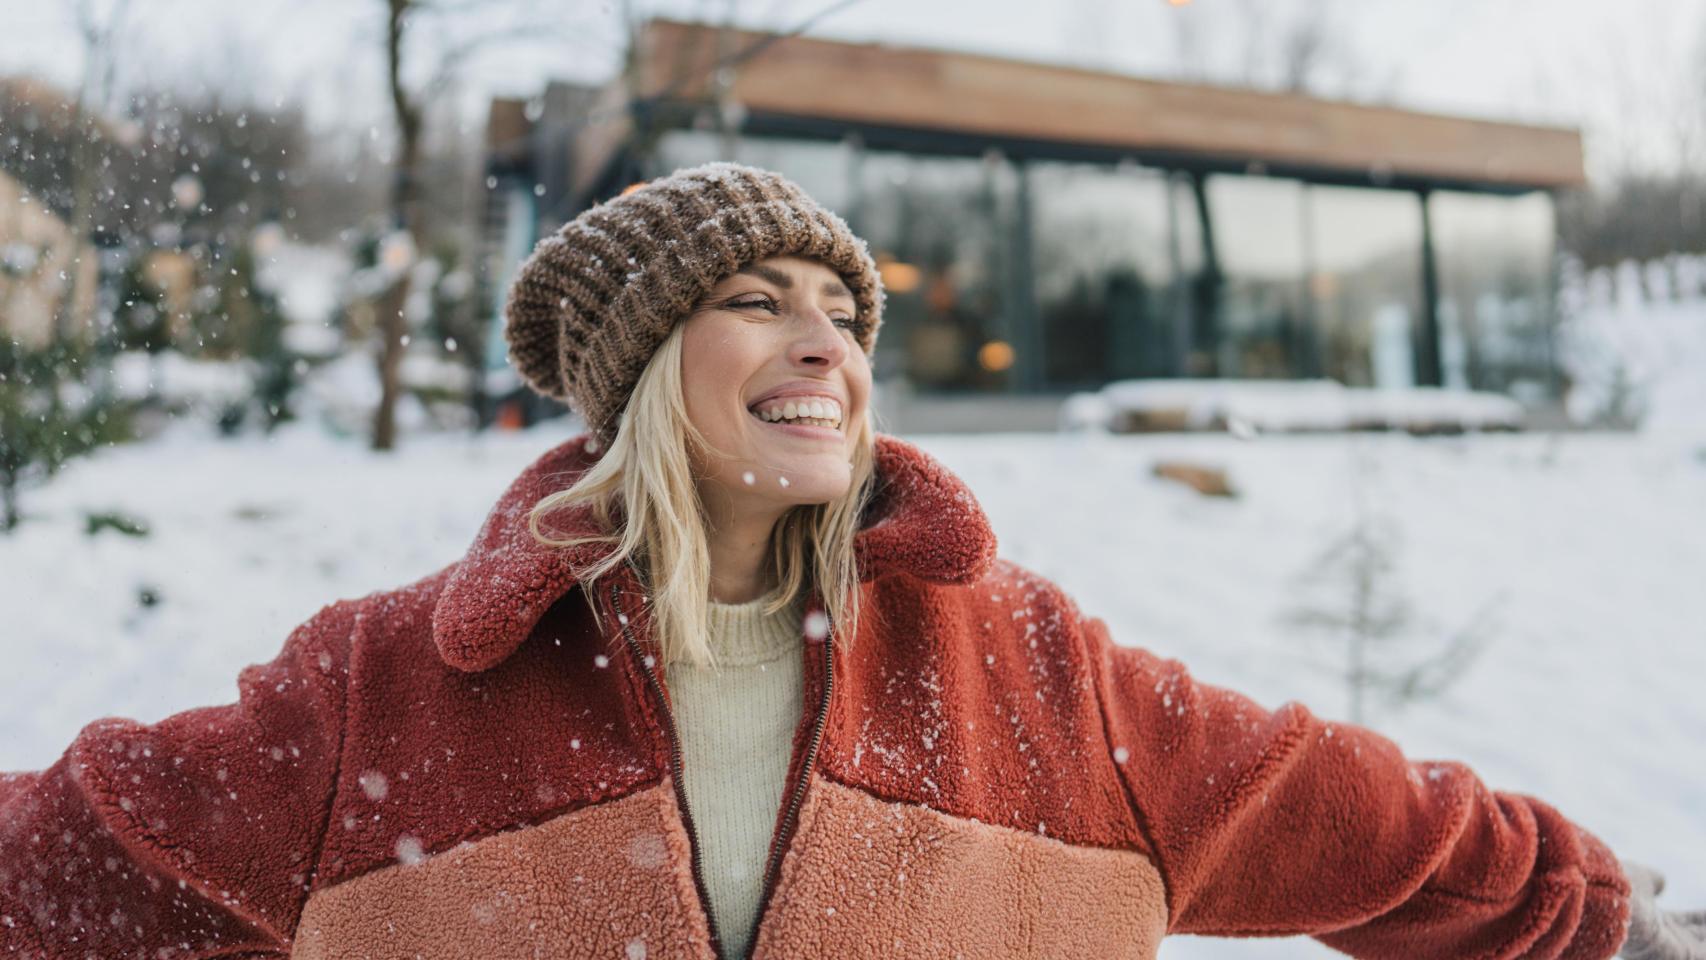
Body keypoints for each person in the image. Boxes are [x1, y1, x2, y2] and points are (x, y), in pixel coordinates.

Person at [0, 162, 1700, 960]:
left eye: (843, 313)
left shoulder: (1029, 672)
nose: (823, 343)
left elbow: (1368, 826)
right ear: (640, 374)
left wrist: (1613, 920)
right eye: (756, 303)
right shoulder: (382, 693)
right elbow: (55, 865)